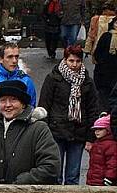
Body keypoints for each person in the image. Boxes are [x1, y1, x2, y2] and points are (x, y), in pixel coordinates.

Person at [0, 80, 61, 185]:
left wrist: (19, 184)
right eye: (3, 100)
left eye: (13, 100)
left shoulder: (38, 129)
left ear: (23, 104)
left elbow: (51, 167)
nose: (7, 105)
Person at [39, 44, 101, 185]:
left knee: (73, 176)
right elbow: (44, 105)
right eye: (71, 61)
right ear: (65, 60)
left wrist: (90, 137)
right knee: (55, 173)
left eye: (78, 61)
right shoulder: (53, 78)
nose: (74, 65)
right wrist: (45, 131)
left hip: (78, 132)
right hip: (56, 130)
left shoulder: (87, 82)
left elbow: (92, 109)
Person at [0, 43, 38, 107]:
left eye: (16, 57)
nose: (14, 61)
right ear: (0, 59)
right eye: (10, 57)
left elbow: (31, 107)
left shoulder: (26, 81)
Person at [86, 115, 117, 185]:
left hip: (103, 181)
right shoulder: (96, 143)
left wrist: (109, 178)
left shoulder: (111, 145)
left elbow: (112, 164)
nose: (97, 132)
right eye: (95, 129)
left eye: (100, 129)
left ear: (108, 130)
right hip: (93, 180)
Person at [94, 17, 117, 109]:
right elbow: (98, 53)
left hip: (111, 73)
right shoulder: (106, 36)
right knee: (104, 96)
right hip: (105, 72)